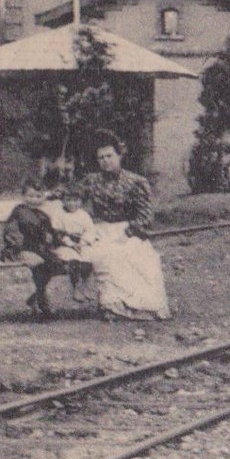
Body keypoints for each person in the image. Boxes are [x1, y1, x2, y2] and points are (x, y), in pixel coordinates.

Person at [78, 130, 170, 320]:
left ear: (119, 155)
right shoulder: (92, 181)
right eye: (101, 157)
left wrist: (128, 232)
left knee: (132, 254)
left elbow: (145, 216)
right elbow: (72, 198)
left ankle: (136, 307)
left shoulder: (135, 182)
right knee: (103, 253)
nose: (105, 161)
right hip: (101, 229)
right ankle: (112, 306)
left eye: (109, 156)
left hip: (128, 230)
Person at [2, 180, 66, 318]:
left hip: (39, 248)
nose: (34, 200)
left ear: (43, 197)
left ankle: (37, 296)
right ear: (24, 196)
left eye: (38, 196)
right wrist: (17, 245)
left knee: (58, 264)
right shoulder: (19, 211)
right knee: (39, 263)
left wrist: (54, 239)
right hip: (21, 248)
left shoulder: (43, 214)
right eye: (30, 196)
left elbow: (51, 232)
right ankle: (41, 300)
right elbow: (11, 230)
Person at [48, 183, 98, 302]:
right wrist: (70, 243)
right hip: (64, 244)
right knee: (73, 259)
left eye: (76, 200)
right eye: (68, 200)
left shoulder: (83, 214)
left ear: (81, 201)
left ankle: (86, 286)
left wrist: (83, 242)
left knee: (88, 258)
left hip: (81, 243)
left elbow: (90, 230)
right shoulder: (58, 214)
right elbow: (57, 232)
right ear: (63, 201)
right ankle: (76, 287)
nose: (72, 204)